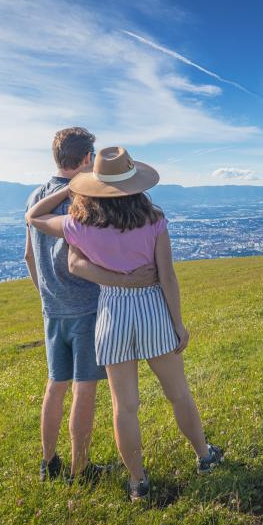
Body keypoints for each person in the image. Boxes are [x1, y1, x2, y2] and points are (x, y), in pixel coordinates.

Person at [26, 146, 223, 501]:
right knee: (178, 394)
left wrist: (70, 189)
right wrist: (177, 324)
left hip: (111, 312)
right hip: (152, 309)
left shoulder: (78, 225)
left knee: (124, 406)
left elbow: (34, 217)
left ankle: (137, 482)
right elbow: (168, 277)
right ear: (135, 183)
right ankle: (204, 456)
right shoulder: (153, 220)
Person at [25, 128, 158, 483]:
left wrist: (46, 296)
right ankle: (79, 470)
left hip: (52, 309)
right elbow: (80, 260)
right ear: (86, 159)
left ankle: (48, 462)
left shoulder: (36, 195)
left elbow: (28, 255)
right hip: (86, 305)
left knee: (55, 384)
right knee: (85, 388)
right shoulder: (83, 201)